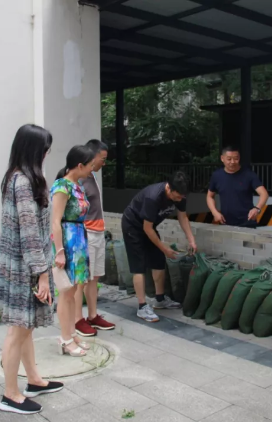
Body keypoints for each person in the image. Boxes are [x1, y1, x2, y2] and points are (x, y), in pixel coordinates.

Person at [0, 124, 64, 415]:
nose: (47, 154)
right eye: (45, 149)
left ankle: (33, 380)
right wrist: (42, 274)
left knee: (25, 327)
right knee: (18, 330)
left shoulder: (18, 177)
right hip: (23, 268)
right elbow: (30, 233)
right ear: (34, 150)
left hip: (21, 264)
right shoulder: (23, 182)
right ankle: (10, 395)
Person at [122, 171, 197, 323]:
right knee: (139, 266)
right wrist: (165, 248)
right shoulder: (153, 197)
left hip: (149, 226)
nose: (179, 200)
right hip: (133, 226)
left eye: (182, 197)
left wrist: (191, 240)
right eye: (177, 196)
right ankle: (142, 307)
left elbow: (182, 216)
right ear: (168, 188)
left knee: (158, 260)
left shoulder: (180, 195)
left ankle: (160, 299)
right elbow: (147, 228)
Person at [51, 145, 96, 356]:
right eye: (89, 166)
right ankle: (65, 338)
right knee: (65, 292)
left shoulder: (77, 186)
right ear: (79, 165)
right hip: (68, 242)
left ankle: (71, 334)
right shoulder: (62, 186)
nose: (91, 171)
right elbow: (55, 221)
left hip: (79, 239)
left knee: (74, 291)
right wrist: (59, 250)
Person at [74, 139, 116, 337]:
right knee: (81, 279)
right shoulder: (79, 178)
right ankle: (77, 320)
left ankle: (92, 316)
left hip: (98, 233)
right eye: (102, 159)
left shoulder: (92, 177)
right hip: (86, 234)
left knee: (94, 278)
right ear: (91, 156)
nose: (103, 163)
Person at [207, 146, 269, 228]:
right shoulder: (217, 176)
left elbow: (264, 194)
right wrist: (214, 212)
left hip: (247, 223)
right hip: (225, 222)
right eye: (229, 159)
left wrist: (257, 209)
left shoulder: (249, 175)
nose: (232, 162)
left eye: (236, 158)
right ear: (222, 158)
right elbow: (209, 196)